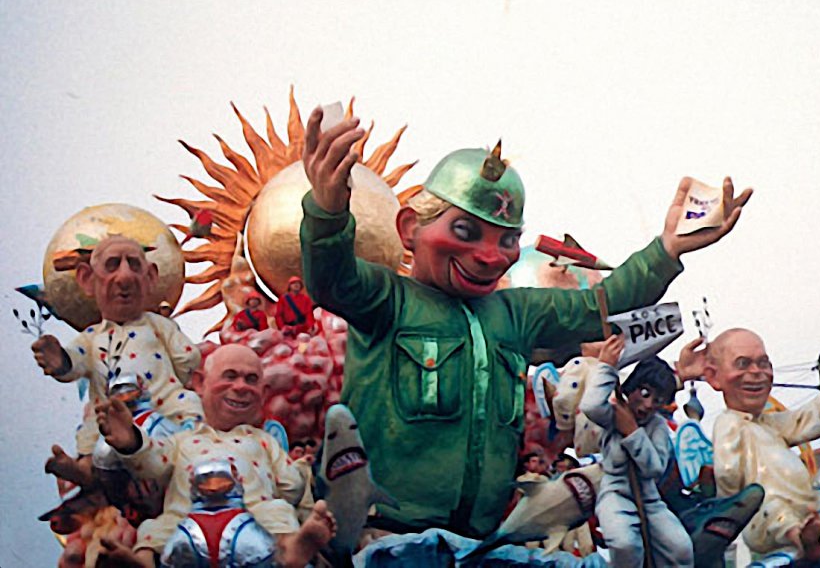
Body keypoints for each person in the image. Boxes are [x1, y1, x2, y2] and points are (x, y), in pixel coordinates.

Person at [299, 108, 752, 536]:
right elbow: (331, 279)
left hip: (484, 541)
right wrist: (326, 209)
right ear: (409, 229)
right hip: (384, 536)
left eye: (508, 239)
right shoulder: (387, 300)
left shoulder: (515, 313)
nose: (490, 256)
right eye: (465, 232)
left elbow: (604, 304)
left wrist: (667, 249)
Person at [95, 344, 336, 568]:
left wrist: (302, 470)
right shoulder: (182, 440)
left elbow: (290, 486)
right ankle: (142, 563)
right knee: (155, 529)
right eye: (230, 376)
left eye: (251, 380)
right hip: (187, 514)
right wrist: (131, 441)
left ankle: (292, 551)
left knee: (278, 512)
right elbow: (153, 463)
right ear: (200, 383)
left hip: (253, 513)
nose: (241, 387)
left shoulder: (264, 441)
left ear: (263, 393)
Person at [31, 236, 203, 486]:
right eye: (112, 265)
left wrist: (178, 383)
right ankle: (85, 472)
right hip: (109, 413)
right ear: (87, 279)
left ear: (150, 278)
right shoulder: (91, 338)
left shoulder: (159, 327)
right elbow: (74, 362)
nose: (125, 277)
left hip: (162, 404)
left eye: (134, 265)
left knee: (190, 410)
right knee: (93, 433)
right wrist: (60, 361)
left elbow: (188, 357)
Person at [703, 328, 820, 561]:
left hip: (804, 510)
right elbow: (727, 471)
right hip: (760, 517)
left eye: (764, 363)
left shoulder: (767, 424)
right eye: (742, 364)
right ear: (714, 377)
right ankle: (802, 540)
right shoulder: (729, 423)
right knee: (771, 505)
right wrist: (736, 499)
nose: (756, 372)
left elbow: (797, 422)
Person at [580, 335, 693, 567]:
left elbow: (654, 468)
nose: (649, 404)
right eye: (645, 393)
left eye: (658, 400)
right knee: (625, 544)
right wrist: (606, 367)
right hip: (615, 494)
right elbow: (590, 406)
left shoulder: (657, 425)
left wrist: (632, 432)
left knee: (680, 547)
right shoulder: (613, 413)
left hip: (649, 499)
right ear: (631, 387)